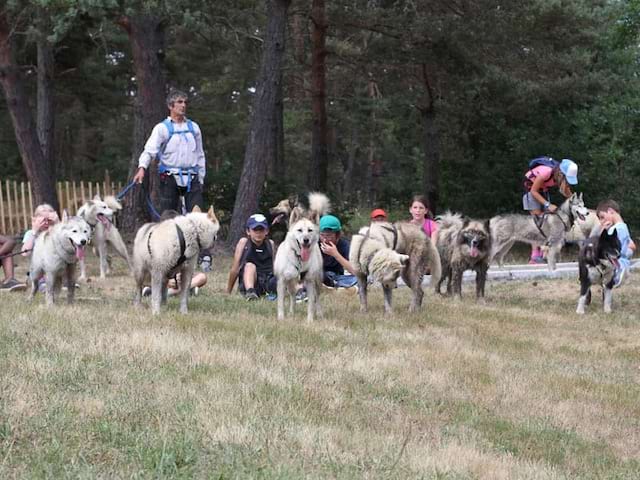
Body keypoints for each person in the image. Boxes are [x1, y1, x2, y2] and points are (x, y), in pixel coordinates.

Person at [132, 89, 211, 271]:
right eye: (179, 102)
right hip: (170, 177)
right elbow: (150, 150)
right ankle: (164, 252)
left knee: (198, 216)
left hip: (192, 177)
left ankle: (203, 256)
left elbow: (200, 154)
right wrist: (142, 168)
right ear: (171, 106)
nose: (183, 105)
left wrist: (201, 176)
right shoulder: (162, 129)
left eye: (185, 102)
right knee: (168, 215)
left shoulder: (194, 128)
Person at [523, 158, 578, 264]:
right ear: (561, 174)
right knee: (538, 221)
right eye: (567, 179)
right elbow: (534, 191)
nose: (567, 182)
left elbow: (567, 192)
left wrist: (575, 203)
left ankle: (544, 254)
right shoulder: (546, 172)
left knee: (546, 221)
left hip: (542, 189)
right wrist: (547, 204)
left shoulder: (559, 177)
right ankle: (534, 257)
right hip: (531, 188)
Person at [227, 214, 277, 301]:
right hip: (250, 280)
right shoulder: (243, 243)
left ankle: (299, 293)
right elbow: (235, 269)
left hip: (266, 281)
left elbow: (275, 268)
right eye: (255, 230)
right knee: (250, 266)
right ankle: (251, 293)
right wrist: (228, 291)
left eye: (261, 230)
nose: (258, 233)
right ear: (248, 231)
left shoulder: (270, 244)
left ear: (266, 231)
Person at [596, 199, 636, 288]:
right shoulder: (623, 227)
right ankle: (621, 270)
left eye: (602, 217)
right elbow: (631, 245)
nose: (601, 221)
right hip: (623, 261)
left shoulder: (615, 230)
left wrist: (602, 229)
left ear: (610, 211)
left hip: (616, 262)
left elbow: (604, 244)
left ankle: (618, 273)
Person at [21, 203, 60, 292]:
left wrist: (57, 224)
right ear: (35, 220)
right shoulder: (31, 234)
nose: (46, 223)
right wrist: (35, 231)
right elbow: (25, 253)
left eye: (49, 220)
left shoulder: (56, 232)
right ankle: (42, 284)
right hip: (39, 272)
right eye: (43, 220)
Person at [318, 214, 358, 289]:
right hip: (318, 276)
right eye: (322, 235)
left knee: (362, 279)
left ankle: (333, 285)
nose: (325, 240)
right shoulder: (315, 243)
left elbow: (355, 271)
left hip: (337, 277)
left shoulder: (344, 245)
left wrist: (336, 254)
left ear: (338, 235)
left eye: (329, 236)